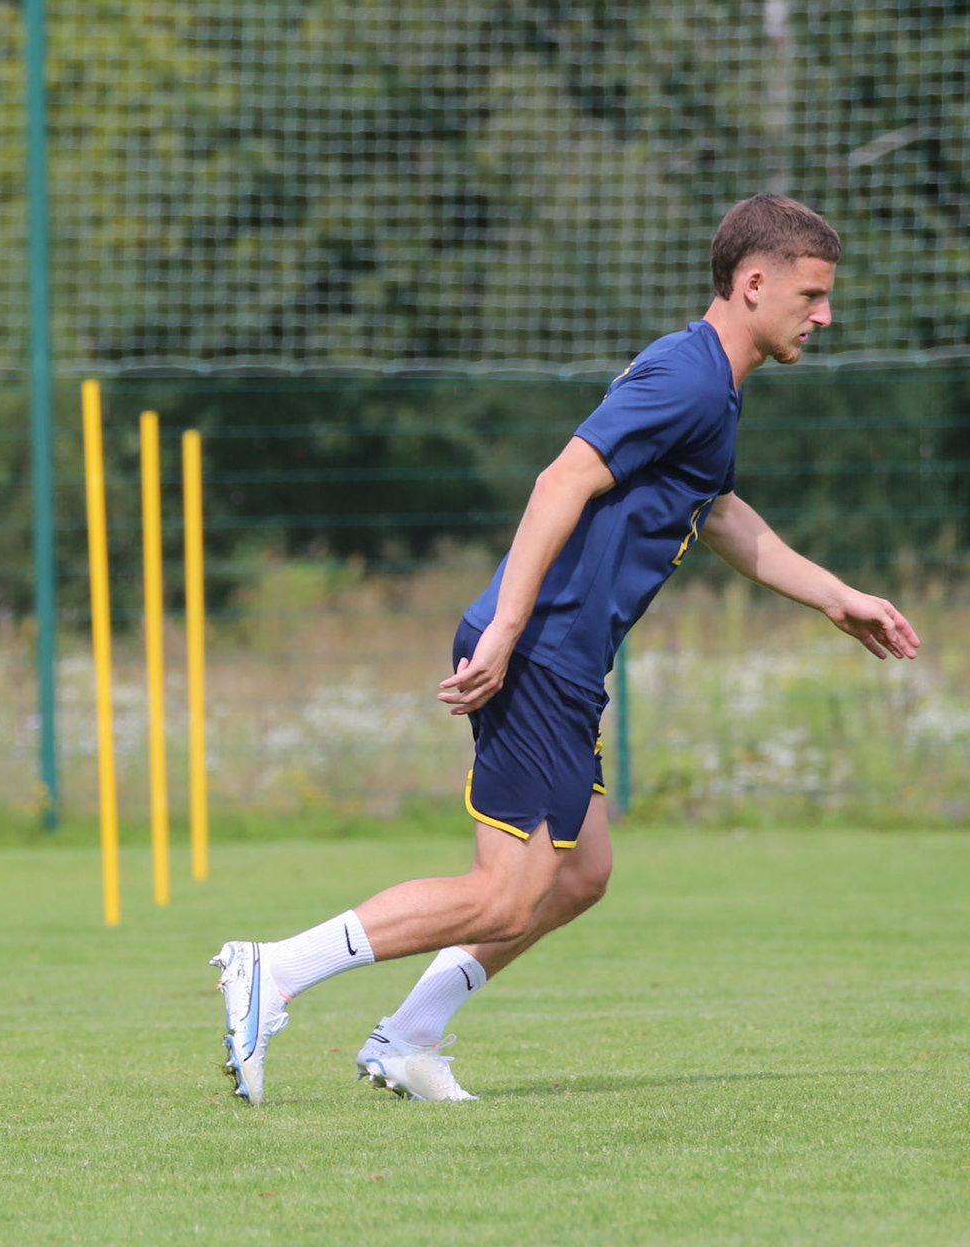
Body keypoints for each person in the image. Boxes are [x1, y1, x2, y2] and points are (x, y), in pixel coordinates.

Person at [211, 194, 921, 1105]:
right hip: (540, 649)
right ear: (754, 284)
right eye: (812, 295)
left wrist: (836, 596)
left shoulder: (711, 383)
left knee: (581, 874)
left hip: (565, 657)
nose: (825, 316)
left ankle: (408, 1038)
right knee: (504, 893)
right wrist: (508, 631)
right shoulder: (690, 378)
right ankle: (273, 970)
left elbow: (716, 514)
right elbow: (562, 479)